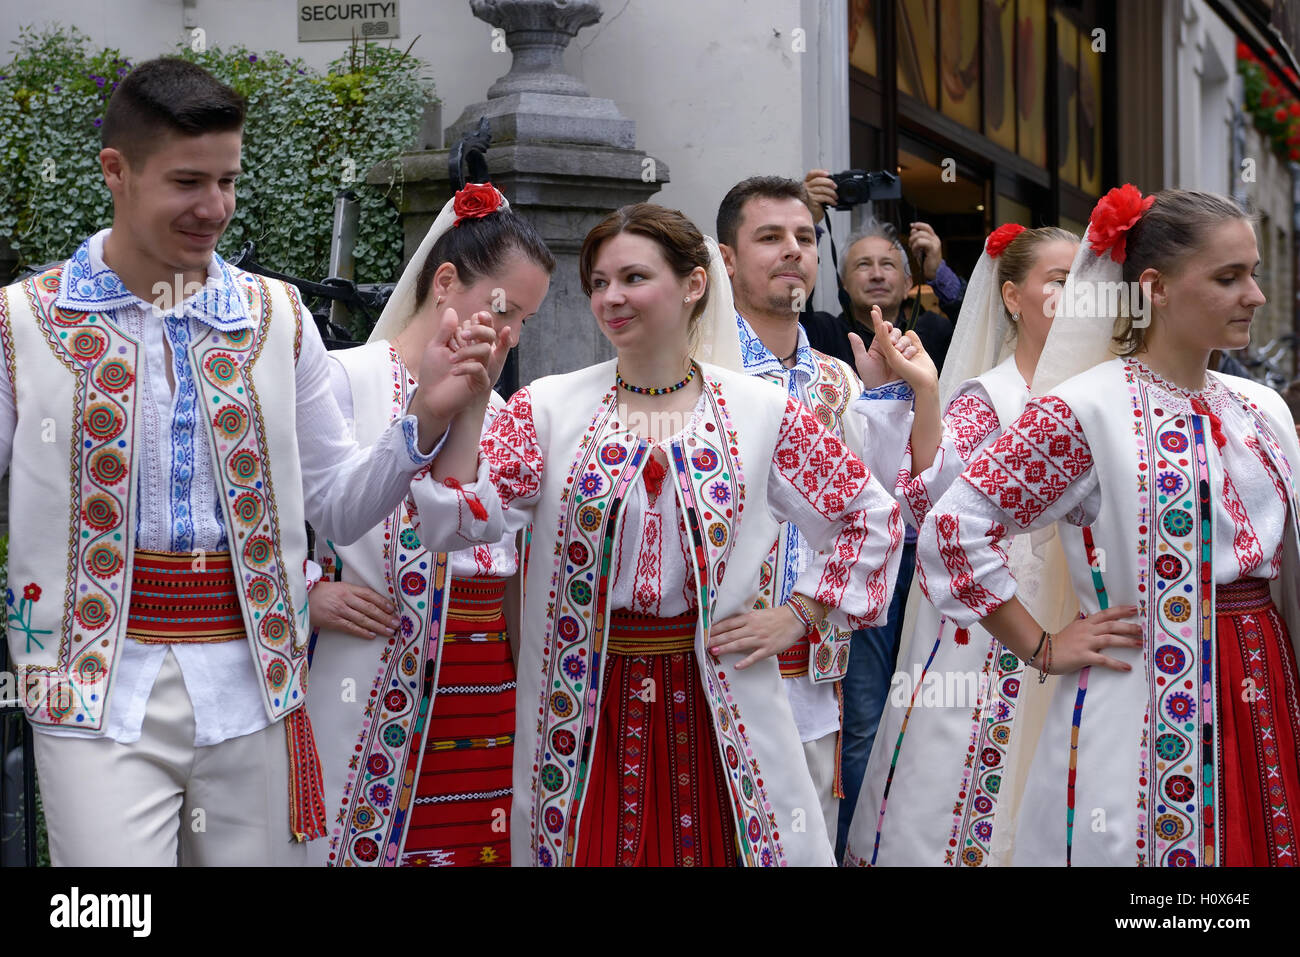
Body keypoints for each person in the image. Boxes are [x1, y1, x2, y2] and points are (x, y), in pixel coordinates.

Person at [0, 57, 498, 866]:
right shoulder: (25, 323)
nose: (215, 208)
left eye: (227, 181)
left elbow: (338, 504)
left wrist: (427, 414)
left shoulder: (278, 317)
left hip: (258, 678)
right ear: (114, 172)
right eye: (188, 182)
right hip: (88, 687)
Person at [421, 203, 907, 866]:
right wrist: (472, 403)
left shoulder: (760, 412)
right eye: (598, 282)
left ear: (694, 285)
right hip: (586, 708)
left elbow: (871, 514)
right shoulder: (548, 407)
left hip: (718, 698)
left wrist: (801, 613)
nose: (611, 297)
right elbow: (456, 524)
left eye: (632, 277)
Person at [920, 186, 1300, 866]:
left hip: (1262, 675)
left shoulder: (1260, 406)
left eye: (1253, 274)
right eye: (1228, 276)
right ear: (1154, 286)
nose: (1255, 296)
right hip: (1143, 691)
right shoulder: (1087, 408)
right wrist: (1040, 645)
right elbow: (955, 526)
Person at [305, 184, 554, 867]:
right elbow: (256, 509)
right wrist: (303, 591)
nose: (512, 334)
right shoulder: (341, 379)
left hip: (479, 685)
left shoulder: (506, 416)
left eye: (526, 319)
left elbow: (514, 556)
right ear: (444, 282)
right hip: (362, 666)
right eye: (505, 308)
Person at [843, 223, 1085, 866]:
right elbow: (931, 497)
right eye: (1058, 283)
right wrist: (925, 391)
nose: (1075, 297)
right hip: (994, 626)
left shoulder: (1096, 392)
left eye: (1083, 284)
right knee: (973, 776)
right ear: (1012, 297)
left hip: (1080, 613)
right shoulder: (993, 396)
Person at [714, 174, 935, 841]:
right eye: (769, 237)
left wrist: (916, 392)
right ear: (725, 259)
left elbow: (901, 507)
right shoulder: (700, 372)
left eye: (805, 237)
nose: (793, 251)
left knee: (811, 838)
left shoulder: (838, 380)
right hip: (721, 660)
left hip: (818, 669)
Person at [800, 169, 965, 373]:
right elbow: (788, 313)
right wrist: (805, 223)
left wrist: (938, 272)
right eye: (863, 264)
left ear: (908, 284)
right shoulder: (823, 332)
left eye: (887, 264)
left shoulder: (932, 331)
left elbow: (980, 329)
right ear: (844, 283)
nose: (877, 275)